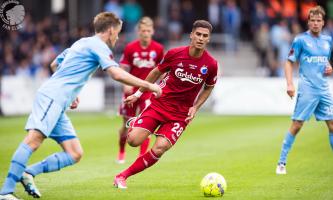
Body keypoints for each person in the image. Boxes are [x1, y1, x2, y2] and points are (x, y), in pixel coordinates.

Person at [0, 12, 161, 200]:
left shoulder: (81, 42)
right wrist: (148, 84)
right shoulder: (99, 46)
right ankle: (5, 192)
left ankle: (28, 173)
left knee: (75, 153)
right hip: (52, 97)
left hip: (58, 101)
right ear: (110, 30)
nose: (117, 37)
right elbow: (116, 74)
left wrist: (72, 93)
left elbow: (54, 64)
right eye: (117, 32)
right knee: (33, 140)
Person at [113, 20, 219, 189]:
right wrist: (139, 93)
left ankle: (122, 176)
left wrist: (196, 107)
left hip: (180, 115)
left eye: (204, 36)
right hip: (159, 105)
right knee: (133, 141)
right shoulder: (175, 54)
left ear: (208, 39)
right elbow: (155, 72)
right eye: (198, 34)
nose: (200, 38)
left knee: (160, 148)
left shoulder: (211, 64)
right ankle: (138, 122)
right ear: (191, 35)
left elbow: (209, 87)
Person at [276, 6, 333, 175]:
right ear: (308, 22)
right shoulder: (300, 40)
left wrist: (330, 68)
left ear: (323, 23)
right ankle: (281, 162)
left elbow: (326, 62)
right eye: (312, 20)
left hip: (324, 89)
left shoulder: (328, 41)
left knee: (332, 125)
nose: (315, 23)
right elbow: (288, 62)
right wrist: (289, 84)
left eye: (318, 21)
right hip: (307, 89)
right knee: (297, 125)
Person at [117, 16, 164, 163]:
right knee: (125, 125)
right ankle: (121, 152)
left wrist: (160, 86)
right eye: (143, 30)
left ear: (153, 31)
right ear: (138, 31)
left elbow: (163, 70)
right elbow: (123, 68)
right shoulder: (131, 48)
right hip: (131, 91)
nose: (145, 33)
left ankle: (141, 156)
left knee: (146, 124)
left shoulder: (158, 49)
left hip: (148, 92)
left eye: (148, 30)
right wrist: (125, 84)